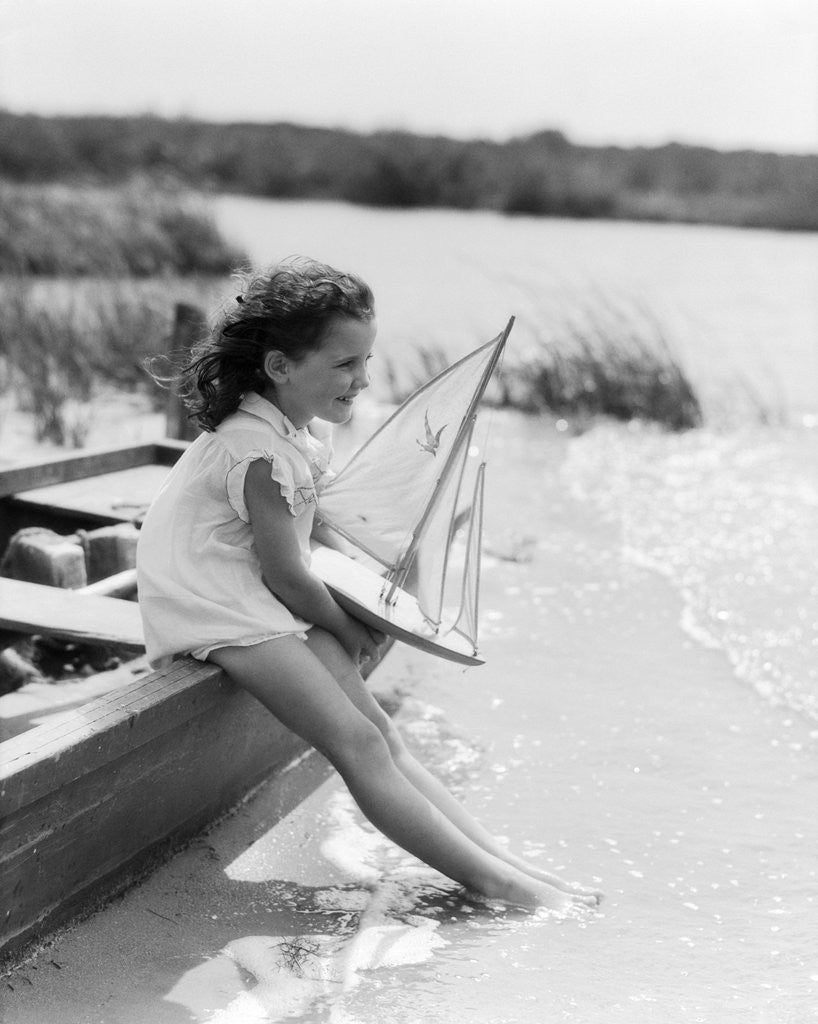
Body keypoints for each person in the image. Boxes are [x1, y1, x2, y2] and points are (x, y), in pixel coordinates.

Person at [137, 257, 599, 913]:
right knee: (354, 743)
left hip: (248, 591)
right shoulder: (260, 452)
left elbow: (311, 542)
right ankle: (498, 886)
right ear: (280, 367)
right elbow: (288, 573)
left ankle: (504, 863)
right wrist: (350, 628)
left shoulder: (293, 433)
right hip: (214, 604)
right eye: (345, 364)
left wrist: (383, 581)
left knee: (381, 731)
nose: (362, 379)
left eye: (366, 361)